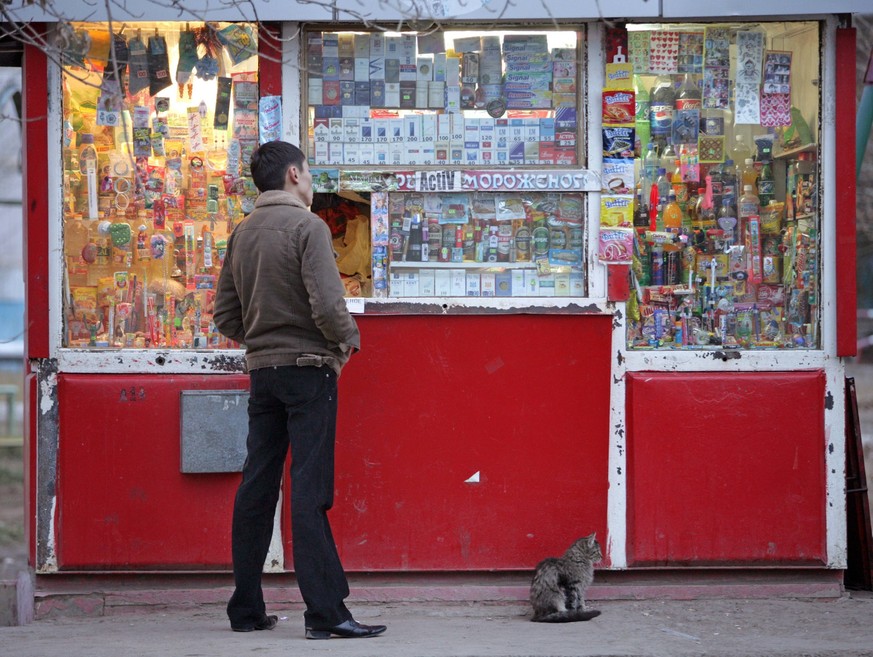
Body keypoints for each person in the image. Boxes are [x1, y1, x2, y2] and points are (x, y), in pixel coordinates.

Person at [214, 141, 386, 640]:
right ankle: (325, 615)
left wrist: (264, 343)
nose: (311, 182)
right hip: (310, 371)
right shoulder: (307, 227)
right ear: (294, 174)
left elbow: (225, 315)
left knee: (256, 488)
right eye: (309, 173)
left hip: (263, 374)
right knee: (310, 492)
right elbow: (330, 306)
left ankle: (246, 609)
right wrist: (346, 345)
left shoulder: (242, 232)